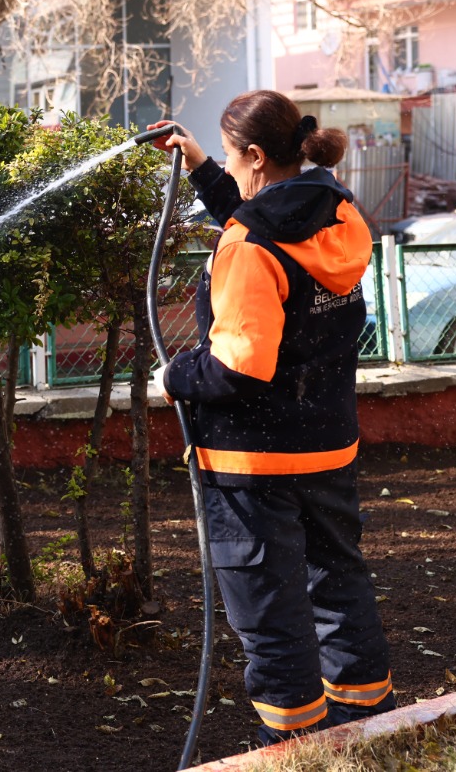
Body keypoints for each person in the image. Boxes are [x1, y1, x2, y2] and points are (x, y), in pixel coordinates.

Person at [148, 90, 394, 747]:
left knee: (272, 614)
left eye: (230, 159)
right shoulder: (339, 215)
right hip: (326, 447)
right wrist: (200, 162)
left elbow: (237, 368)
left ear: (257, 157)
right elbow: (266, 231)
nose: (227, 170)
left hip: (253, 465)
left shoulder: (248, 246)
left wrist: (173, 378)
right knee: (339, 591)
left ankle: (294, 752)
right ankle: (367, 733)